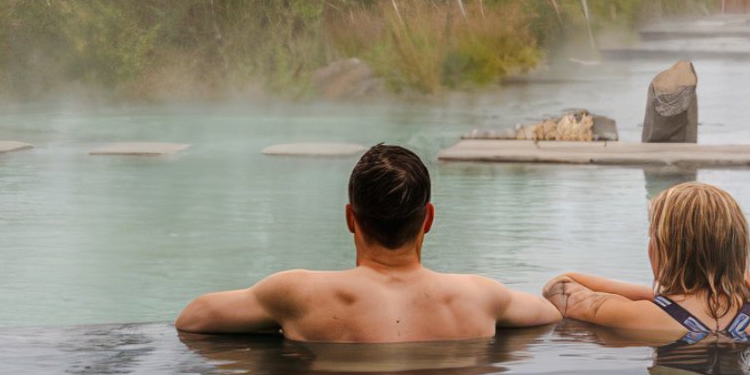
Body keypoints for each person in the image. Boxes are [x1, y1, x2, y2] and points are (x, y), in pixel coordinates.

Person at [175, 143, 560, 341]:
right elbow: (549, 314)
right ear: (428, 219)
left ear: (350, 218)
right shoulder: (480, 296)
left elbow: (193, 318)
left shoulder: (296, 293)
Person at [541, 181, 750, 343]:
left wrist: (662, 298)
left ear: (665, 250)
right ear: (737, 250)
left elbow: (561, 287)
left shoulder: (636, 315)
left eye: (653, 236)